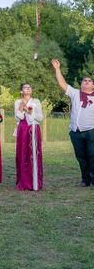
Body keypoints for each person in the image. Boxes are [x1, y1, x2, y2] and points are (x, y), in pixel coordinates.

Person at [51, 59, 94, 187]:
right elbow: (62, 83)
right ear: (81, 84)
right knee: (81, 157)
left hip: (91, 131)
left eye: (89, 81)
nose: (86, 82)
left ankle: (93, 180)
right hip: (76, 131)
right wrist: (57, 69)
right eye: (84, 81)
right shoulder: (75, 93)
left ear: (93, 86)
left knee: (92, 156)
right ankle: (85, 180)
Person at [14, 83, 44, 191]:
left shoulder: (36, 102)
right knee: (23, 153)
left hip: (34, 129)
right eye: (25, 87)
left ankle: (35, 182)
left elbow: (40, 118)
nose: (27, 88)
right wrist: (21, 109)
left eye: (29, 87)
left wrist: (31, 113)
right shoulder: (18, 102)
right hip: (23, 129)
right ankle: (24, 182)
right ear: (21, 91)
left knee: (34, 154)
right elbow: (18, 118)